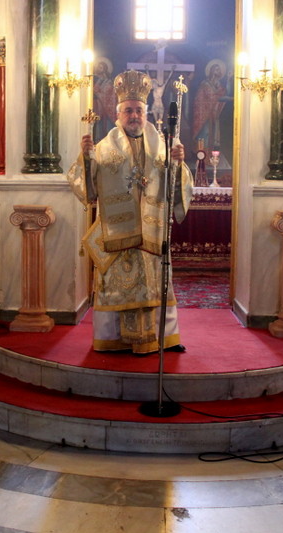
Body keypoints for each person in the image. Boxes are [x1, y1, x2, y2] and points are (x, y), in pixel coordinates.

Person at [66, 70, 194, 354]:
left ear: (146, 113)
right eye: (128, 111)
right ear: (118, 114)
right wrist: (85, 158)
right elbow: (87, 187)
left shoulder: (162, 145)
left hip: (152, 232)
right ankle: (113, 339)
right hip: (118, 235)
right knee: (117, 287)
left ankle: (164, 338)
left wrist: (178, 163)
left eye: (138, 110)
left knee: (156, 285)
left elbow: (176, 185)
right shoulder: (103, 147)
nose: (134, 115)